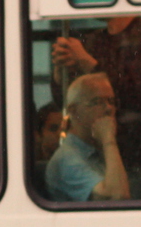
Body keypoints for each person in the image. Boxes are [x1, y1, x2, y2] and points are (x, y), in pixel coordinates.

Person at [51, 16, 141, 199]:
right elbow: (70, 101)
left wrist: (87, 62)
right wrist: (61, 71)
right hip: (97, 154)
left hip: (139, 156)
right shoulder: (95, 40)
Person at [44, 73, 130, 202]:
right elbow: (117, 197)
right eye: (98, 102)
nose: (109, 109)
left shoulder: (96, 151)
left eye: (111, 101)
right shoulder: (67, 159)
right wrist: (108, 140)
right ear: (73, 111)